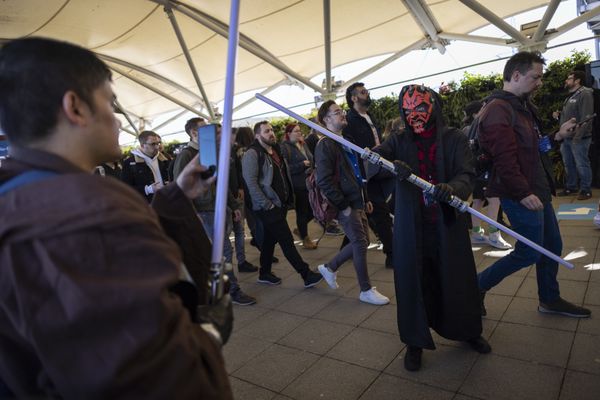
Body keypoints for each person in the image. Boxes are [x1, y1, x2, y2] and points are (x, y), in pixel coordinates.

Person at [0, 37, 232, 398]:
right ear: (75, 106)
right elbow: (152, 377)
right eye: (110, 101)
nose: (118, 120)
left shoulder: (17, 195)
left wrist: (176, 195)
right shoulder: (86, 213)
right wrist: (208, 335)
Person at [371, 84, 490, 371]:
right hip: (412, 228)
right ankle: (415, 341)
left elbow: (466, 173)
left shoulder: (454, 138)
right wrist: (389, 166)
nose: (415, 115)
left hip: (447, 224)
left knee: (457, 278)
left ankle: (468, 330)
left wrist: (453, 188)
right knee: (414, 281)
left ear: (433, 106)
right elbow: (372, 163)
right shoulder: (397, 141)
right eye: (409, 110)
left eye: (421, 108)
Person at [477, 51, 591, 319]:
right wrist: (523, 192)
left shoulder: (522, 107)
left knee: (551, 246)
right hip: (520, 194)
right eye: (535, 77)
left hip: (535, 190)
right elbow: (504, 161)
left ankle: (549, 299)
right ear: (516, 75)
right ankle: (476, 286)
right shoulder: (497, 110)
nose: (540, 83)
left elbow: (533, 148)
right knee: (529, 252)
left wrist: (558, 136)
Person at [172, 118, 256, 306]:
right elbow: (181, 189)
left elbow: (219, 183)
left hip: (218, 209)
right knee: (223, 251)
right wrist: (193, 215)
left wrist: (233, 205)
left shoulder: (210, 153)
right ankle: (232, 290)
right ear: (194, 133)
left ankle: (217, 289)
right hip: (205, 213)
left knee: (220, 252)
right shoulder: (186, 156)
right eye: (205, 130)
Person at [314, 100, 390, 305]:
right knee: (360, 242)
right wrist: (343, 205)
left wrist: (365, 198)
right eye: (337, 112)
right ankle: (365, 290)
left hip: (357, 200)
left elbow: (357, 172)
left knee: (362, 241)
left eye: (341, 111)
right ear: (326, 119)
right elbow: (324, 180)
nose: (342, 114)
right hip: (345, 203)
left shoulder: (344, 139)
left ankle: (329, 267)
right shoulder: (325, 144)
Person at [241, 121, 323, 287]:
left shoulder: (275, 149)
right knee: (286, 240)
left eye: (271, 130)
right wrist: (267, 204)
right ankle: (306, 274)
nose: (271, 133)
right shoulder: (252, 153)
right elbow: (251, 183)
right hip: (267, 206)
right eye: (266, 131)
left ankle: (264, 273)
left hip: (280, 204)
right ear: (257, 135)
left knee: (270, 240)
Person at [343, 83, 394, 267]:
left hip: (378, 169)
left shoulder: (368, 116)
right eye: (363, 92)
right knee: (379, 213)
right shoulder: (350, 120)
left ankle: (346, 249)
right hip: (365, 175)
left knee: (371, 213)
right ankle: (391, 254)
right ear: (354, 98)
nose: (368, 93)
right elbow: (352, 151)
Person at [463, 100, 511, 250]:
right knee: (495, 200)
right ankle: (493, 235)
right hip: (485, 169)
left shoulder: (468, 128)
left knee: (478, 200)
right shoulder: (482, 124)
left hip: (475, 169)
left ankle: (477, 234)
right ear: (477, 111)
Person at [554, 70, 595, 200]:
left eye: (569, 78)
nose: (567, 80)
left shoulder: (585, 94)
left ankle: (586, 190)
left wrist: (578, 138)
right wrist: (559, 115)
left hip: (579, 138)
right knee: (568, 163)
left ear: (577, 80)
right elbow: (573, 115)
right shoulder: (571, 96)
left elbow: (587, 118)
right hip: (567, 138)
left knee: (582, 164)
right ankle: (571, 187)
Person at [281, 123, 318, 250]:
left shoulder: (303, 144)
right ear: (289, 134)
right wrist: (302, 164)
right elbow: (286, 169)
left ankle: (300, 229)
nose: (299, 133)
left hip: (310, 183)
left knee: (314, 210)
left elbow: (312, 159)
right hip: (297, 185)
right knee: (302, 212)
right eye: (296, 131)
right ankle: (305, 239)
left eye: (299, 131)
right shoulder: (285, 148)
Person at [121, 130, 170, 203]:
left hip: (166, 201)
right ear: (142, 145)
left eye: (158, 143)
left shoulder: (164, 159)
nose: (157, 147)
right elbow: (125, 189)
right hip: (145, 205)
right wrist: (148, 189)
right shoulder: (130, 163)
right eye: (153, 144)